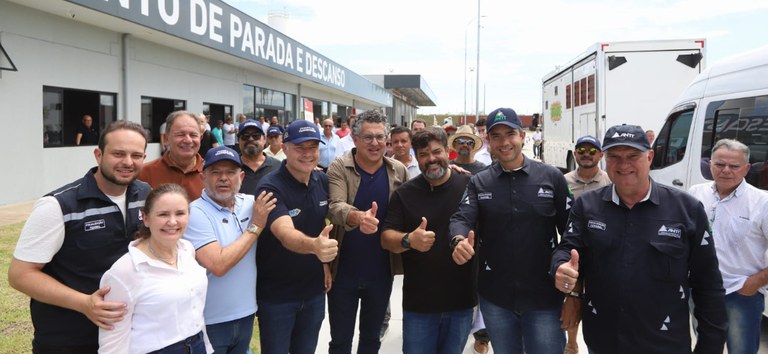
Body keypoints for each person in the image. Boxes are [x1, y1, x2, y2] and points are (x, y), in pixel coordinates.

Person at [551, 124, 727, 354]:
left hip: (664, 344)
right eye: (615, 156)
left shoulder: (687, 209)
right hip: (604, 342)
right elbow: (568, 249)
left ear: (650, 157)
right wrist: (561, 266)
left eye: (633, 156)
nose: (624, 165)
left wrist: (709, 347)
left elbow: (709, 285)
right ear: (605, 159)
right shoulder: (587, 206)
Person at [8, 120, 150, 353]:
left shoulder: (145, 195)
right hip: (69, 341)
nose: (128, 162)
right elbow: (20, 275)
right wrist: (83, 303)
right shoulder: (58, 206)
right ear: (98, 154)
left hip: (129, 336)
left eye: (136, 155)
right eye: (118, 153)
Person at [450, 108, 572, 354]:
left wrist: (566, 266)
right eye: (496, 136)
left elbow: (571, 230)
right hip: (496, 298)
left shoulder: (552, 177)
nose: (504, 142)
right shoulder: (479, 182)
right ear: (489, 141)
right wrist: (458, 239)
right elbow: (461, 217)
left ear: (522, 136)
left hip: (544, 298)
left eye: (510, 134)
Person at [381, 127, 476, 354]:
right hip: (420, 304)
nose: (431, 159)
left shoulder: (469, 186)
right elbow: (386, 238)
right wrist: (408, 240)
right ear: (416, 157)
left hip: (461, 302)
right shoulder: (405, 194)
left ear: (447, 152)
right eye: (423, 155)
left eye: (437, 152)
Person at [254, 120, 340, 354]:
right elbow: (285, 233)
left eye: (313, 147)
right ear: (285, 147)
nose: (307, 154)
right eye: (300, 147)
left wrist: (322, 261)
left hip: (313, 293)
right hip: (277, 298)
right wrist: (315, 247)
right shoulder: (270, 187)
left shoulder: (321, 180)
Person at [327, 110, 407, 354]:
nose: (375, 143)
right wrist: (357, 216)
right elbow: (335, 205)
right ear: (355, 138)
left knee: (372, 339)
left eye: (380, 137)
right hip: (343, 273)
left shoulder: (398, 171)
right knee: (340, 340)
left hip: (381, 272)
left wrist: (453, 170)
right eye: (368, 137)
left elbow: (417, 197)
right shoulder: (339, 167)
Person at [98, 183, 213, 353]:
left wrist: (206, 348)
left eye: (180, 213)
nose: (172, 222)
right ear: (145, 218)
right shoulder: (125, 270)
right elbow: (113, 341)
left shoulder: (187, 250)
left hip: (197, 344)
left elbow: (194, 311)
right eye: (163, 214)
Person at [183, 145, 276, 353]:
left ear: (241, 176)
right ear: (202, 177)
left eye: (230, 172)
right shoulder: (195, 212)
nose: (223, 178)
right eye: (215, 172)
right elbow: (218, 264)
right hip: (210, 320)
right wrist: (256, 226)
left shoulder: (251, 204)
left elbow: (286, 195)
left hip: (246, 314)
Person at [688, 139, 768, 354]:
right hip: (701, 290)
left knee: (742, 350)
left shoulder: (762, 202)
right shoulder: (695, 193)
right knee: (705, 347)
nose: (726, 171)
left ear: (746, 168)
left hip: (741, 293)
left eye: (734, 166)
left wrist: (753, 284)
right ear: (710, 164)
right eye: (719, 164)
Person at [139, 111, 205, 200]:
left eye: (193, 135)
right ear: (166, 138)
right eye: (180, 134)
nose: (188, 140)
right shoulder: (144, 174)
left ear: (200, 138)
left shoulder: (212, 173)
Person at [236, 119, 281, 195]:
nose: (251, 139)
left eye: (256, 135)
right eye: (245, 136)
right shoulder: (231, 167)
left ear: (264, 139)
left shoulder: (279, 167)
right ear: (238, 140)